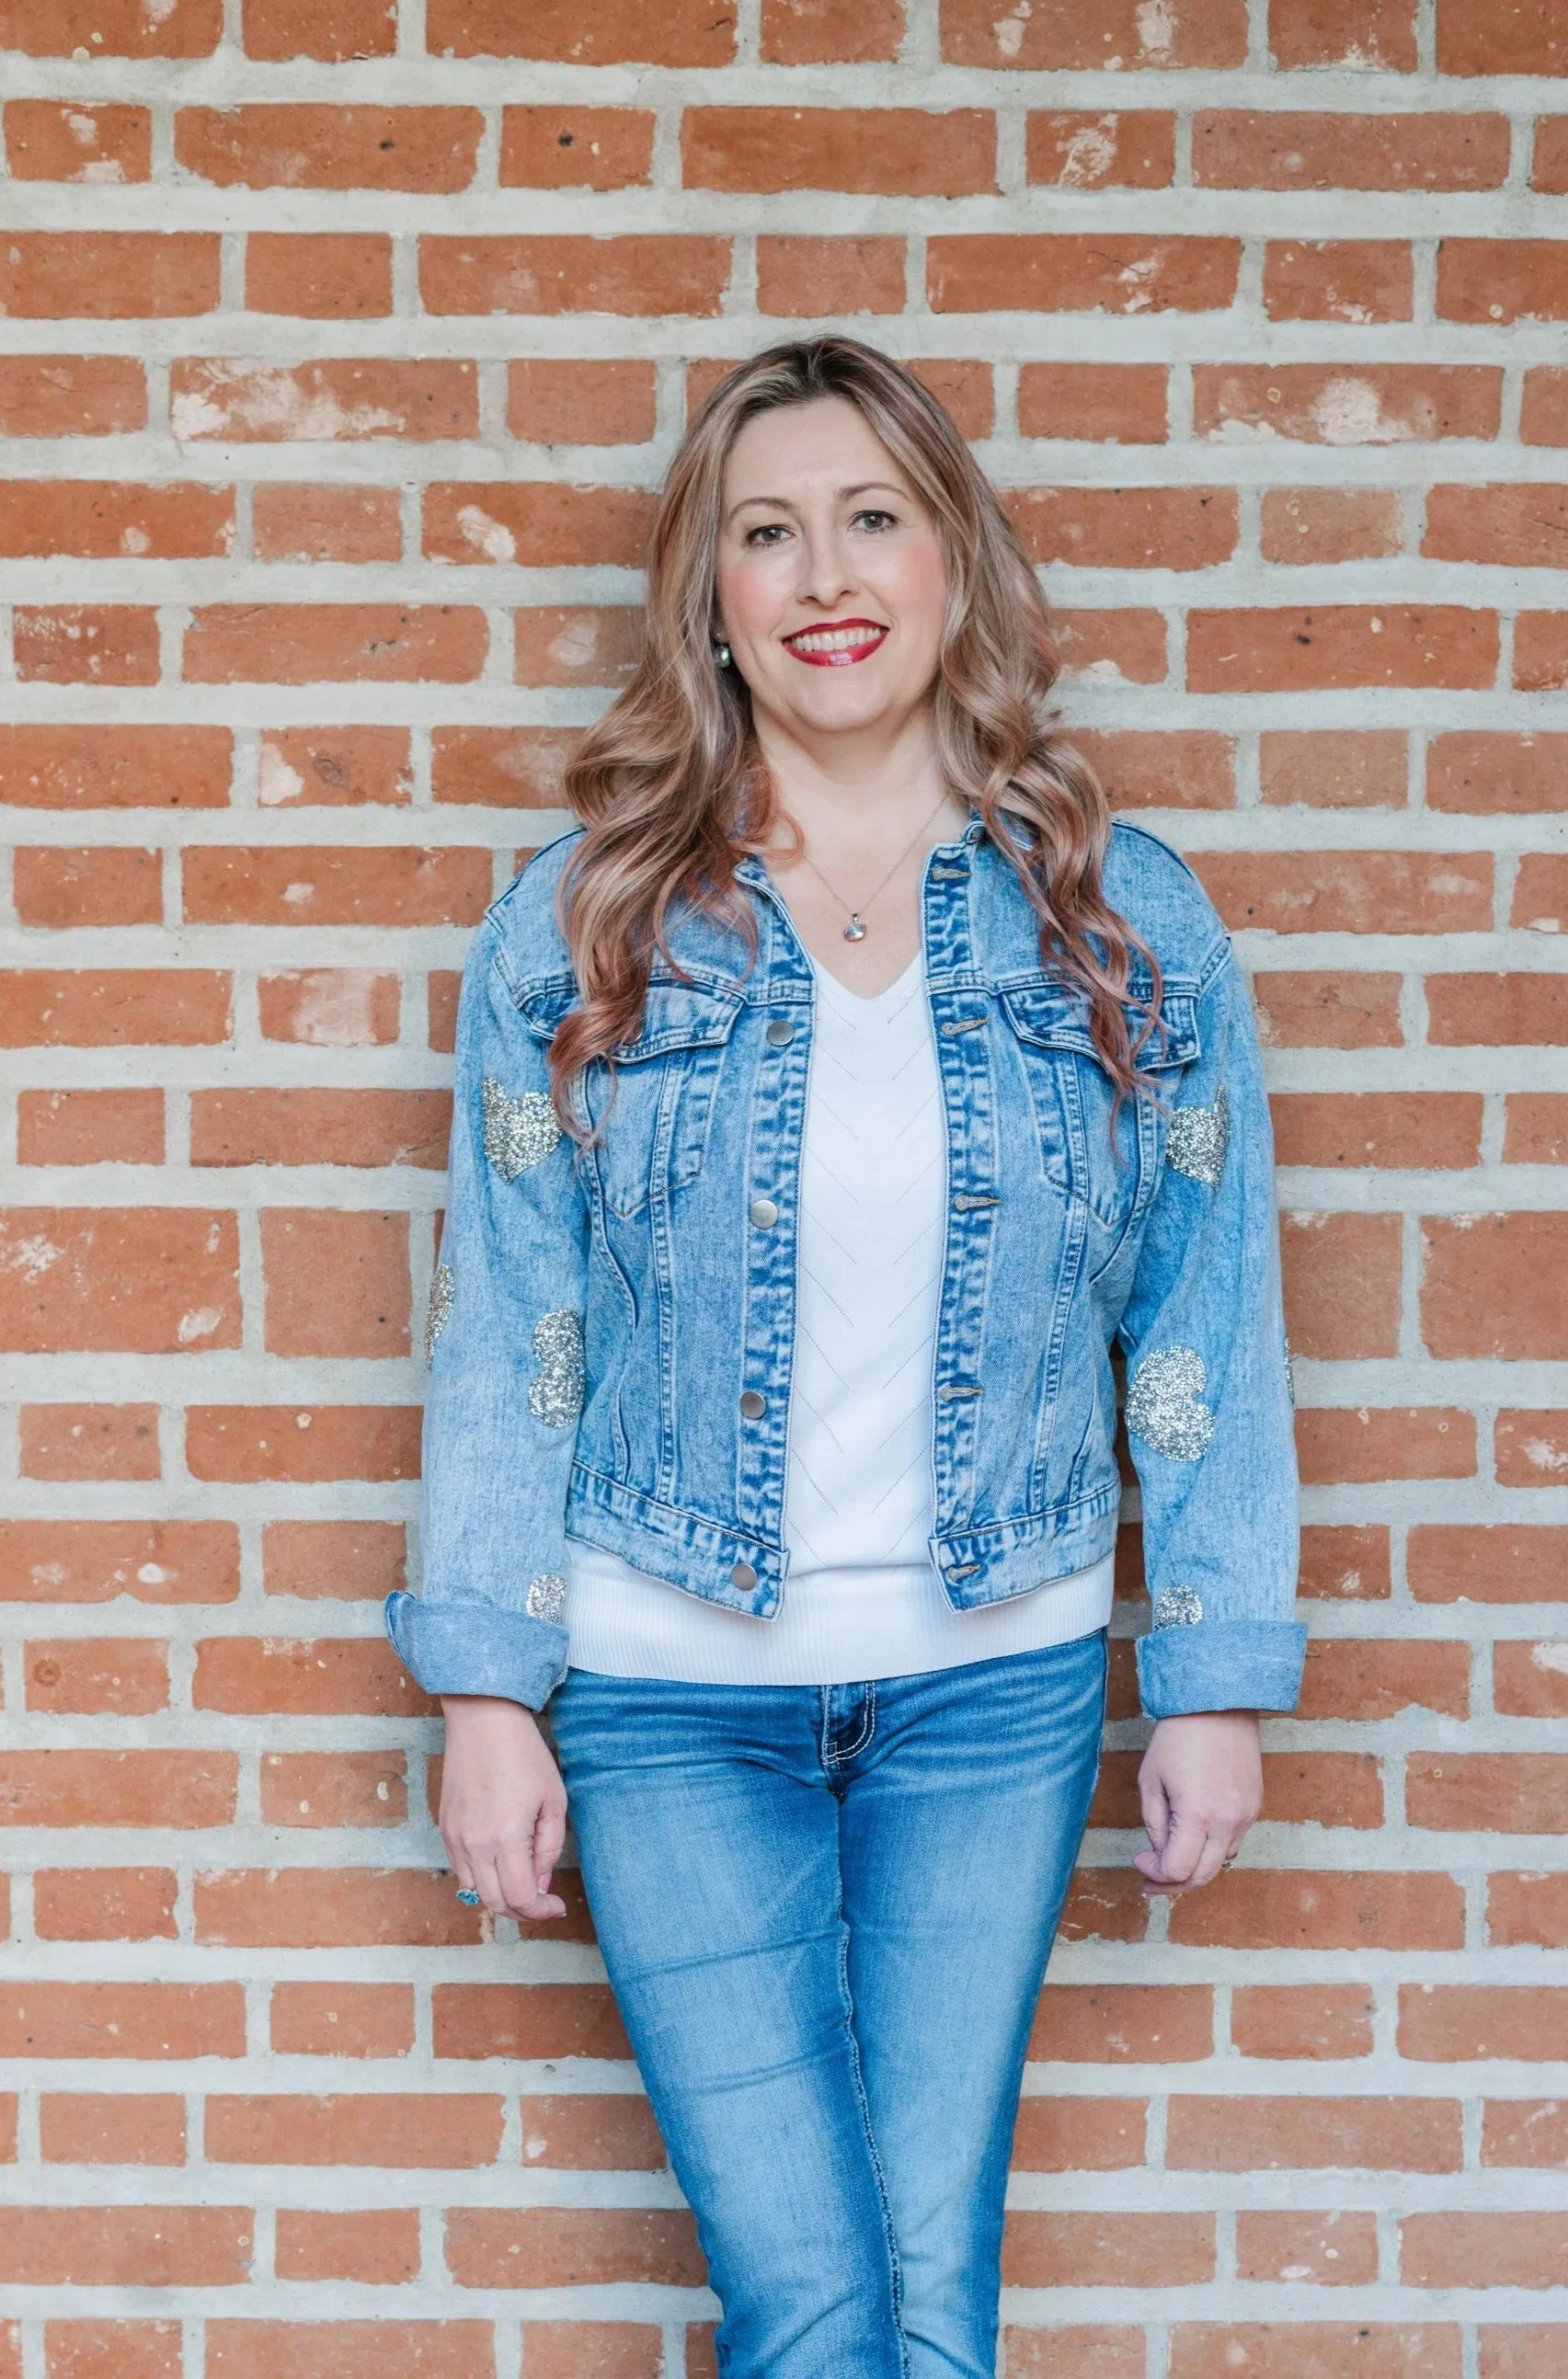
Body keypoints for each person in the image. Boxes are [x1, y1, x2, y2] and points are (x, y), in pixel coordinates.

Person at [384, 336, 1304, 2379]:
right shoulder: (587, 926)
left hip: (999, 1685)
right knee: (809, 2302)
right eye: (767, 529)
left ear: (951, 562)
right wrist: (483, 1687)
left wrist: (1214, 1674)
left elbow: (1203, 1319)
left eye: (873, 517)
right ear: (709, 595)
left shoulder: (1119, 925)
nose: (827, 571)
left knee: (934, 2306)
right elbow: (518, 1321)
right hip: (662, 1694)